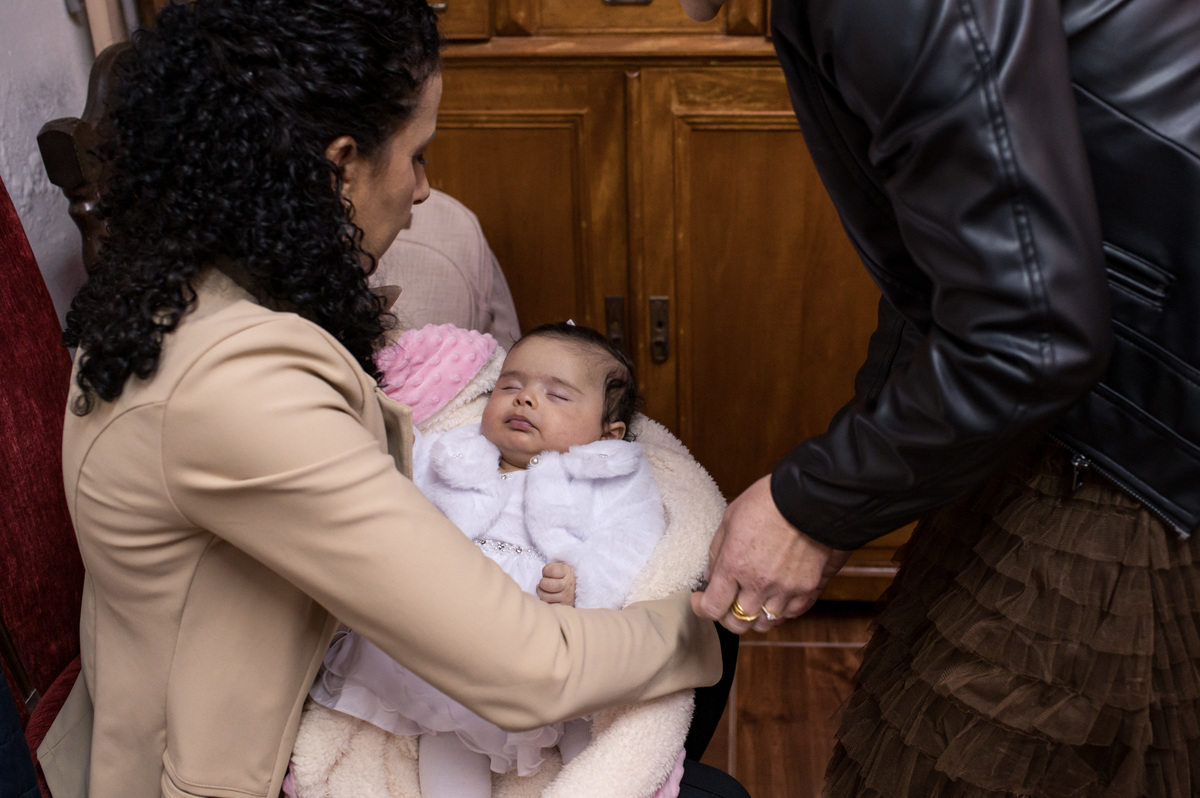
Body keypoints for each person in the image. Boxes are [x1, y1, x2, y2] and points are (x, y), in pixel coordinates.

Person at [50, 2, 721, 797]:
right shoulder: (237, 388)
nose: (424, 190)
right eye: (418, 154)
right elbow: (530, 670)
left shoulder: (168, 288)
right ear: (339, 167)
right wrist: (710, 622)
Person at [680, 0, 1200, 795]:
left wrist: (813, 505)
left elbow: (1030, 332)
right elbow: (939, 273)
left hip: (1141, 433)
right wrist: (841, 494)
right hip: (1082, 394)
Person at [311, 321, 678, 797]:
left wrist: (582, 586)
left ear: (608, 435)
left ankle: (602, 782)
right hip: (450, 638)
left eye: (557, 395)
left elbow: (633, 544)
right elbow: (397, 493)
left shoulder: (609, 477)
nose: (525, 399)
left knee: (586, 714)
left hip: (549, 636)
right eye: (511, 386)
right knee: (447, 729)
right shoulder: (454, 452)